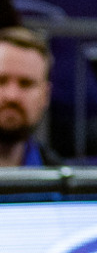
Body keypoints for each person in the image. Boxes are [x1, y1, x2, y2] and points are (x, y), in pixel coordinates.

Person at [0, 28, 54, 168]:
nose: (12, 96)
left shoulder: (61, 182)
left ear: (45, 96)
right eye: (1, 81)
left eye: (26, 83)